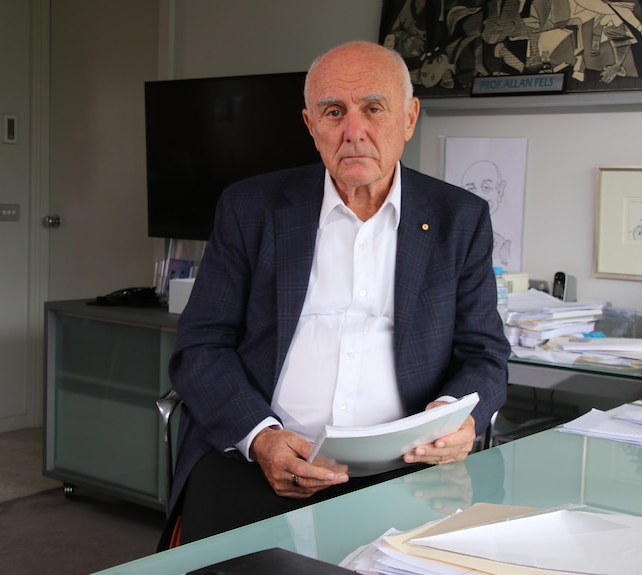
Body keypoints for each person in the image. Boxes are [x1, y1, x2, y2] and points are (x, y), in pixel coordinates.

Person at [161, 40, 510, 548]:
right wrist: (261, 438)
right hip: (260, 460)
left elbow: (486, 353)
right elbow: (200, 347)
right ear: (310, 125)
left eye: (373, 108)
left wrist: (458, 415)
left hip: (406, 473)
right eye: (333, 112)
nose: (354, 132)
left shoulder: (460, 218)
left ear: (409, 118)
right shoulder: (250, 209)